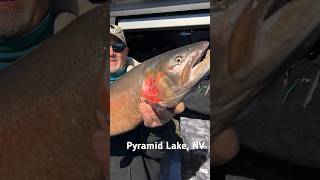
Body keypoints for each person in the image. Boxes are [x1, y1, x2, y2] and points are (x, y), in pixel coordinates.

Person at [109, 24, 185, 180]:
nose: (111, 52)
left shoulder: (150, 82)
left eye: (117, 46)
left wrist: (158, 129)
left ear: (126, 51)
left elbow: (161, 151)